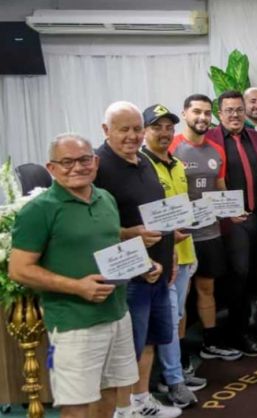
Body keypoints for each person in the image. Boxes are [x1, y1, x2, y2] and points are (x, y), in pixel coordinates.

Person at [9, 134, 150, 418]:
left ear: (95, 162)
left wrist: (140, 259)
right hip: (75, 322)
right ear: (51, 168)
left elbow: (106, 239)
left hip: (117, 314)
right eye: (67, 162)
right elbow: (19, 269)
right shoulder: (39, 210)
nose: (77, 167)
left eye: (84, 159)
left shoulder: (105, 198)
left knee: (111, 391)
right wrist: (76, 287)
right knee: (77, 405)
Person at [93, 101, 181, 417]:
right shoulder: (97, 166)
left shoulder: (143, 160)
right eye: (124, 129)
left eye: (136, 129)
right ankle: (122, 408)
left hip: (158, 269)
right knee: (126, 349)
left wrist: (169, 252)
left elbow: (157, 212)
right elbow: (92, 226)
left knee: (150, 341)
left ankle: (142, 400)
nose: (132, 136)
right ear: (106, 130)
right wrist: (128, 234)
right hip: (128, 276)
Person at [207, 90, 257, 357]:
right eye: (228, 110)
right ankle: (238, 332)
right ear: (219, 114)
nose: (235, 115)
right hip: (230, 222)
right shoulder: (209, 141)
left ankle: (253, 325)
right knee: (238, 275)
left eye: (239, 110)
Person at [168, 94, 243, 363]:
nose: (202, 117)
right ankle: (180, 353)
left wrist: (230, 210)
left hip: (210, 231)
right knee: (180, 294)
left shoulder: (216, 149)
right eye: (196, 112)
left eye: (207, 112)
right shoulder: (172, 147)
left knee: (207, 289)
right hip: (181, 235)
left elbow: (219, 188)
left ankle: (210, 343)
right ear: (185, 113)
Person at [140, 104, 205, 408]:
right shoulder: (141, 165)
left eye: (168, 127)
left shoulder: (177, 164)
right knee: (166, 319)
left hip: (185, 251)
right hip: (161, 257)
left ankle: (173, 372)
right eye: (157, 127)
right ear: (145, 130)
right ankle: (173, 380)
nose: (164, 133)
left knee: (177, 316)